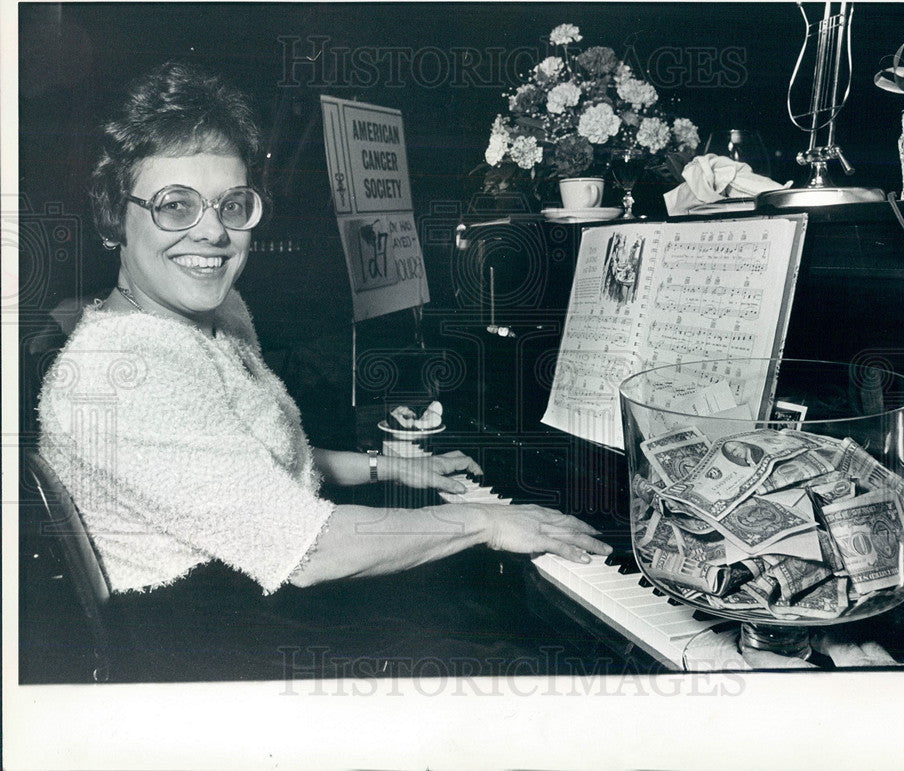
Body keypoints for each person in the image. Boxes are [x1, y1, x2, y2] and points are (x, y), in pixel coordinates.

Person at [36, 61, 611, 678]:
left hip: (253, 593)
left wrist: (393, 466)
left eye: (233, 204)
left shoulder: (215, 313)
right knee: (515, 661)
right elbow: (309, 548)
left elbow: (260, 459)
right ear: (111, 217)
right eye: (175, 206)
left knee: (487, 621)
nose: (213, 233)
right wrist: (489, 521)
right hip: (206, 646)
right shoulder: (123, 371)